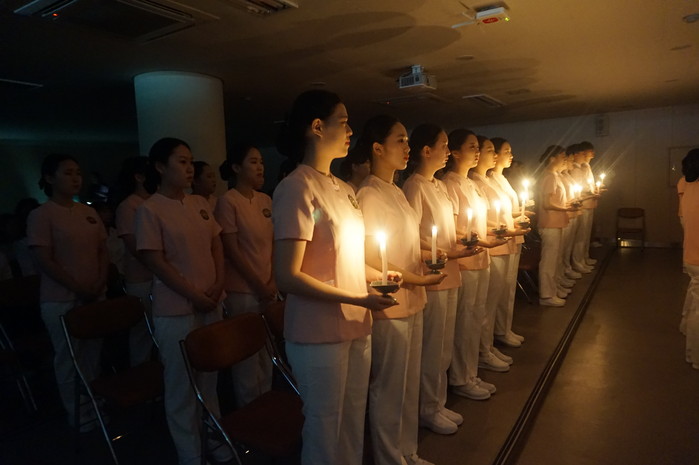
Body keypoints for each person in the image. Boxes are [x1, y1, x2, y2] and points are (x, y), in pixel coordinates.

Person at [272, 90, 397, 465]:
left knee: (352, 421)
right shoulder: (296, 187)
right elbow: (287, 277)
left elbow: (347, 260)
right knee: (325, 427)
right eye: (342, 122)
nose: (350, 131)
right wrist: (358, 298)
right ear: (316, 127)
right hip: (318, 333)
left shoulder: (343, 189)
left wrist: (379, 275)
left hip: (357, 324)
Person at [354, 115, 445, 465]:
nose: (408, 147)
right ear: (378, 148)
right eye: (400, 140)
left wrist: (432, 257)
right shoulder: (369, 194)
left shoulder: (395, 190)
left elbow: (406, 244)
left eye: (408, 140)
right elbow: (370, 259)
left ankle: (407, 450)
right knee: (390, 385)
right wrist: (416, 280)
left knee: (408, 381)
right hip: (390, 301)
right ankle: (389, 457)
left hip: (413, 297)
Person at [135, 138, 228, 465]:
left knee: (210, 381)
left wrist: (218, 284)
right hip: (176, 310)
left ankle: (215, 439)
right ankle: (190, 454)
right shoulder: (150, 209)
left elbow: (216, 245)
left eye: (191, 162)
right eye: (182, 162)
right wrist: (195, 295)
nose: (190, 169)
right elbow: (156, 261)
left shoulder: (199, 203)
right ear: (161, 167)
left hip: (210, 301)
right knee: (181, 387)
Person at [27, 153, 108, 428]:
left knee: (93, 355)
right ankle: (78, 413)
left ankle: (95, 404)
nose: (76, 179)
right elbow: (44, 259)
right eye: (68, 173)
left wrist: (99, 282)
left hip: (94, 294)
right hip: (61, 298)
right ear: (50, 178)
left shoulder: (88, 212)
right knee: (69, 357)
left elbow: (102, 250)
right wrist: (78, 287)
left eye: (78, 173)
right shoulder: (41, 215)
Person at [402, 123, 474, 435]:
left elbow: (445, 230)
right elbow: (412, 235)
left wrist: (463, 241)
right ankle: (427, 407)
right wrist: (438, 252)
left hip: (449, 269)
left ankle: (438, 402)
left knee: (443, 344)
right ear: (426, 150)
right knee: (432, 346)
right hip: (431, 274)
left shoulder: (438, 186)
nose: (447, 151)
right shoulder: (415, 186)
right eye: (443, 146)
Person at [444, 129, 503, 400]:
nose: (477, 152)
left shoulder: (470, 183)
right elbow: (451, 227)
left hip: (480, 256)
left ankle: (471, 372)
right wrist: (475, 239)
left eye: (479, 147)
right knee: (465, 320)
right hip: (465, 261)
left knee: (476, 316)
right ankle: (460, 377)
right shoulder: (451, 184)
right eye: (472, 147)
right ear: (455, 153)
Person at [215, 142, 275, 407]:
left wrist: (272, 281)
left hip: (268, 286)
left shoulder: (265, 201)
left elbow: (274, 244)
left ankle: (267, 405)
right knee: (247, 357)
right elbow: (232, 250)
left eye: (261, 162)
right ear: (237, 168)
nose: (260, 167)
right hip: (243, 289)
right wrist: (258, 284)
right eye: (253, 162)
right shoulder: (228, 202)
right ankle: (249, 410)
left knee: (267, 351)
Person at [470, 136, 520, 372]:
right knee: (485, 305)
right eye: (490, 150)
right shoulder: (474, 182)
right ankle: (483, 350)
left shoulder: (489, 180)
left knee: (494, 300)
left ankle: (488, 345)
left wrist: (514, 219)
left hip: (500, 241)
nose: (496, 155)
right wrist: (503, 227)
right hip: (491, 245)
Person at [114, 156, 154, 366]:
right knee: (142, 333)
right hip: (141, 278)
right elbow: (135, 246)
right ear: (139, 177)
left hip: (161, 277)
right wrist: (162, 265)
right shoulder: (128, 206)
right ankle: (141, 372)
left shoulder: (156, 201)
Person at [490, 137, 530, 348]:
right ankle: (497, 333)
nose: (511, 155)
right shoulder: (487, 181)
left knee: (508, 290)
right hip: (498, 241)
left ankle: (504, 329)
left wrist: (520, 212)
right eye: (506, 151)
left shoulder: (502, 179)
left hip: (512, 236)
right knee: (498, 293)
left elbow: (505, 211)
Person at [537, 146, 578, 307]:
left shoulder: (554, 176)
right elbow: (547, 204)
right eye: (561, 156)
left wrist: (567, 204)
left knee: (555, 259)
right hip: (550, 223)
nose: (564, 159)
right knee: (549, 261)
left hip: (557, 222)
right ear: (552, 158)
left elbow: (557, 200)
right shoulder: (549, 177)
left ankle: (553, 289)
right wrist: (565, 208)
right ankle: (546, 295)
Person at [681, 148, 699, 367]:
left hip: (691, 254)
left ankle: (692, 351)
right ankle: (695, 356)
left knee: (695, 303)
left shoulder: (689, 188)